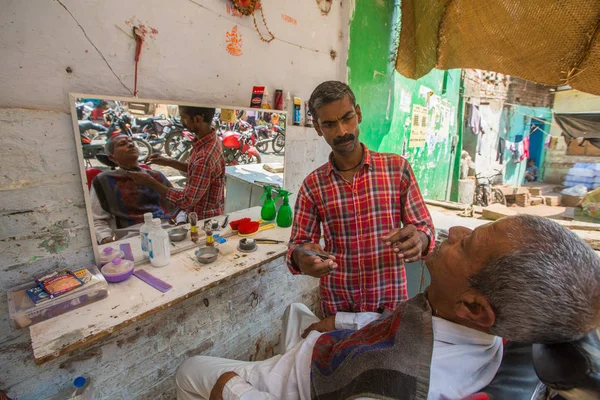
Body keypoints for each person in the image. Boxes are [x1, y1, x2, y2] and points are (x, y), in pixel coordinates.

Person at [175, 215, 600, 400]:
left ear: (474, 306)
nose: (455, 229)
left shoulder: (400, 384)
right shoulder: (468, 322)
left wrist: (233, 386)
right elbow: (299, 242)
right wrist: (341, 319)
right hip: (336, 348)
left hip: (300, 383)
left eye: (467, 242)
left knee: (192, 370)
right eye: (328, 123)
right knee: (297, 319)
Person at [287, 81, 435, 316]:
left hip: (389, 307)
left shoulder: (397, 169)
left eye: (347, 118)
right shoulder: (313, 186)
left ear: (358, 114)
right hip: (338, 309)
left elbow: (424, 227)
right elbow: (298, 244)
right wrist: (301, 257)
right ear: (317, 127)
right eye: (329, 124)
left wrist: (420, 239)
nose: (342, 131)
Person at [128, 106, 225, 220]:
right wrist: (168, 162)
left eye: (183, 117)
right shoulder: (211, 138)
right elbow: (197, 171)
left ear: (198, 119)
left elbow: (186, 201)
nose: (181, 121)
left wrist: (151, 182)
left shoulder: (204, 157)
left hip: (203, 219)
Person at [90, 134, 184, 244]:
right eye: (122, 144)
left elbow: (179, 205)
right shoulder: (104, 181)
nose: (130, 145)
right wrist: (106, 238)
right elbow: (97, 219)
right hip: (130, 237)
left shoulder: (156, 176)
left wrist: (181, 223)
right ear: (112, 157)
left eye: (132, 143)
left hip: (165, 230)